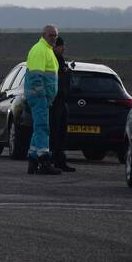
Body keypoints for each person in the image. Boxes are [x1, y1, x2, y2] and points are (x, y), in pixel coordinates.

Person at [25, 25, 62, 175]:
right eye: (51, 35)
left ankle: (33, 160)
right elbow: (35, 76)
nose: (54, 38)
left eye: (56, 36)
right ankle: (44, 160)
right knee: (42, 128)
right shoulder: (40, 50)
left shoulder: (47, 50)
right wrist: (43, 95)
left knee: (38, 128)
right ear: (44, 35)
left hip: (42, 97)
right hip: (39, 97)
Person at [49, 36, 75, 172]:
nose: (63, 48)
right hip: (54, 102)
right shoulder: (52, 59)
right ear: (54, 47)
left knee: (61, 132)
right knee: (54, 132)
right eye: (61, 46)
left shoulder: (61, 60)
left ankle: (60, 161)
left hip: (62, 101)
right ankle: (51, 160)